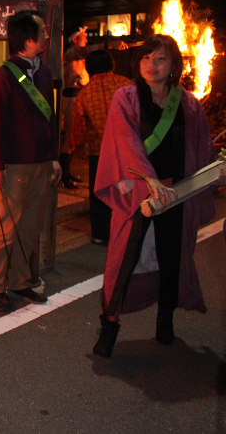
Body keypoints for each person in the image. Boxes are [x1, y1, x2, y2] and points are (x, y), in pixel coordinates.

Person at [92, 34, 226, 358]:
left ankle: (165, 320)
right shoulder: (125, 98)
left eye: (161, 59)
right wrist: (149, 178)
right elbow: (125, 142)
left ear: (174, 66)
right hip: (139, 193)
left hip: (176, 195)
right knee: (124, 260)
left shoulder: (189, 103)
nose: (152, 65)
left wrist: (216, 166)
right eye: (146, 58)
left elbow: (200, 146)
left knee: (171, 260)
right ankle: (109, 325)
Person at [0, 10, 61, 312]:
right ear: (28, 38)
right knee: (6, 228)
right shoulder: (4, 75)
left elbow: (51, 118)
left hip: (42, 163)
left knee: (30, 227)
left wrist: (54, 157)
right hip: (14, 166)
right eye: (41, 32)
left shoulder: (44, 73)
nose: (45, 36)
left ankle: (19, 281)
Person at [70, 50, 132, 245]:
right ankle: (126, 230)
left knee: (100, 192)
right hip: (128, 149)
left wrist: (73, 144)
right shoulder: (126, 84)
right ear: (111, 65)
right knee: (127, 190)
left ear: (88, 68)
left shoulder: (85, 93)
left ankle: (100, 234)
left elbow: (77, 129)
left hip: (99, 150)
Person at [61, 27, 129, 188]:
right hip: (71, 96)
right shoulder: (72, 52)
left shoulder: (80, 56)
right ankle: (63, 175)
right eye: (84, 37)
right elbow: (89, 50)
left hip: (78, 94)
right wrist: (110, 44)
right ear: (76, 39)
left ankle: (66, 172)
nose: (86, 39)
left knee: (73, 139)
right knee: (70, 137)